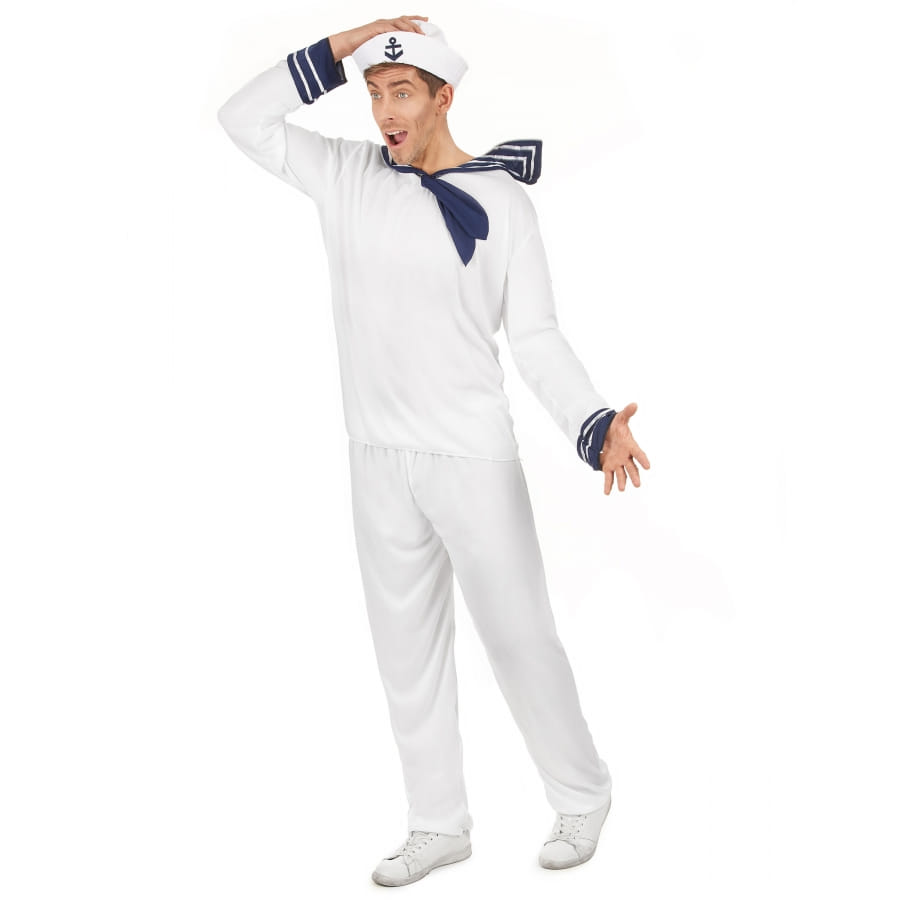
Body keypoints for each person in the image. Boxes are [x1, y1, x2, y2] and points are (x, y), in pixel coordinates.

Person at [217, 14, 650, 888]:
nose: (385, 110)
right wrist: (345, 45)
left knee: (520, 639)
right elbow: (241, 118)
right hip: (376, 455)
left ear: (443, 97)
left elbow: (536, 338)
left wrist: (595, 421)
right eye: (376, 93)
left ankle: (583, 791)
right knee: (405, 655)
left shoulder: (504, 204)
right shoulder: (343, 175)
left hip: (470, 458)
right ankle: (437, 824)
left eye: (403, 92)